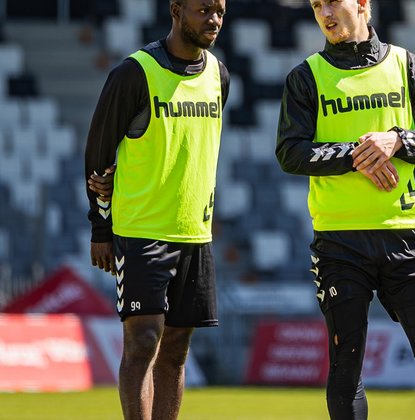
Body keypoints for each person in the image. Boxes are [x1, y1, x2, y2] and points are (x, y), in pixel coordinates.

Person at [276, 1, 415, 419]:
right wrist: (359, 154)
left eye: (332, 2)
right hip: (339, 242)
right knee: (347, 364)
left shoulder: (409, 66)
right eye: (316, 5)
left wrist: (397, 140)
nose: (324, 13)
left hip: (407, 234)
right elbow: (290, 153)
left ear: (361, 4)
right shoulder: (305, 77)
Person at [84, 0, 228, 419]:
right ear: (176, 10)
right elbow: (98, 154)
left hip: (195, 232)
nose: (214, 20)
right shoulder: (135, 72)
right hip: (141, 229)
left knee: (176, 350)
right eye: (204, 10)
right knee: (143, 341)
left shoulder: (219, 75)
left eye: (220, 11)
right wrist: (101, 228)